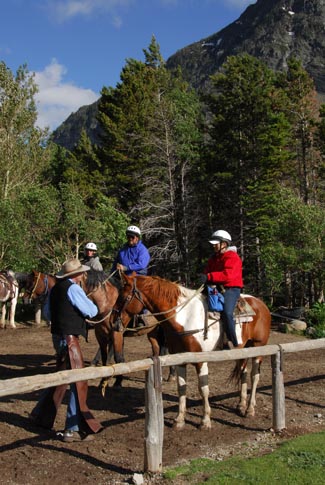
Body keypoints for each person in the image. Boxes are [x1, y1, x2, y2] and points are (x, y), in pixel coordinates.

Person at [30, 258, 103, 442]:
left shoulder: (55, 289)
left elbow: (48, 314)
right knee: (78, 382)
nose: (83, 275)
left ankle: (40, 416)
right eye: (81, 273)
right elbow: (92, 311)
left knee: (59, 378)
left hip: (59, 338)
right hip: (71, 340)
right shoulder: (74, 289)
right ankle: (73, 428)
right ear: (76, 275)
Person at [201, 230, 243, 349]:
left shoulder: (232, 257)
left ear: (224, 244)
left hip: (231, 288)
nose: (213, 245)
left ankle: (232, 341)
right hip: (215, 287)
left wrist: (209, 276)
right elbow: (208, 271)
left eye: (216, 243)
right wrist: (205, 277)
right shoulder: (213, 258)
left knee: (227, 312)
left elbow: (228, 275)